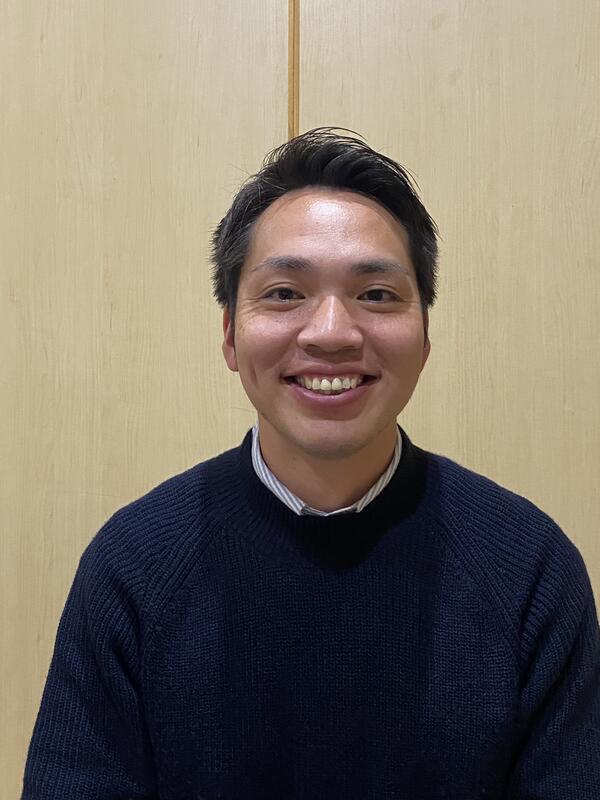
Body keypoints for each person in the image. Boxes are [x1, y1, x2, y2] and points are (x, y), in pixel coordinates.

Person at [23, 128, 600, 799]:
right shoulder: (135, 565)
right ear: (230, 334)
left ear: (425, 336)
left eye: (376, 295)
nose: (331, 333)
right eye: (284, 293)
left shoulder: (526, 567)